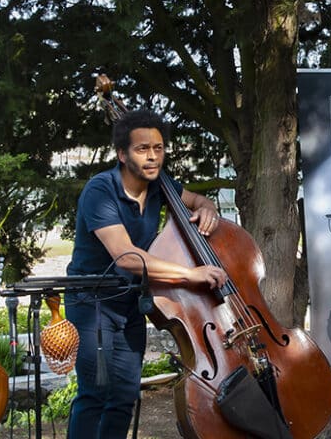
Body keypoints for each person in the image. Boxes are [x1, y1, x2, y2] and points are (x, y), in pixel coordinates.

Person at [65, 109, 228, 438]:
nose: (153, 157)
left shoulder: (159, 187)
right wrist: (189, 274)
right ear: (122, 154)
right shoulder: (101, 190)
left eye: (158, 148)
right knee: (95, 393)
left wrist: (207, 206)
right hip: (92, 303)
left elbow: (195, 199)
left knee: (125, 396)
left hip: (132, 303)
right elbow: (126, 257)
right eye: (142, 149)